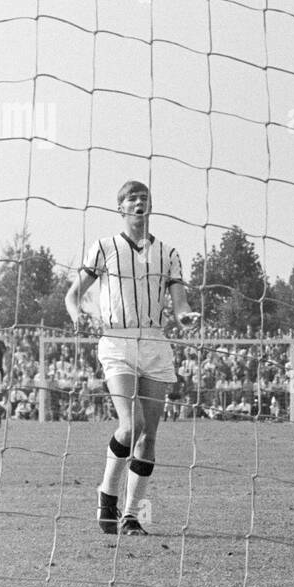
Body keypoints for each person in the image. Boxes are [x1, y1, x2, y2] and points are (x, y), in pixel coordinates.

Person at [64, 180, 200, 536]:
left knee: (148, 436)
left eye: (144, 198)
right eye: (132, 198)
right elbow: (72, 296)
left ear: (150, 206)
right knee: (130, 425)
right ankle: (107, 493)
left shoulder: (168, 253)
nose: (139, 203)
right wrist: (77, 315)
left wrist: (185, 316)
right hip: (117, 341)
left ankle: (131, 515)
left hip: (154, 342)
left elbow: (180, 303)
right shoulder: (103, 247)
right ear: (121, 208)